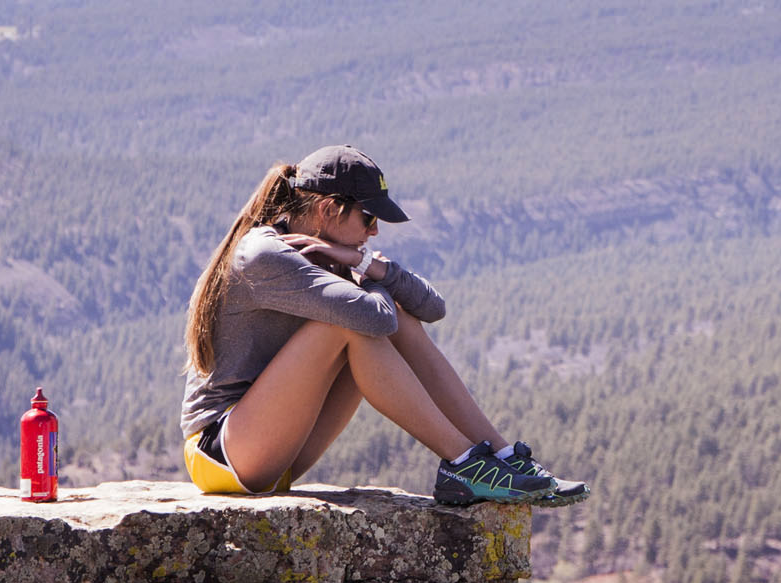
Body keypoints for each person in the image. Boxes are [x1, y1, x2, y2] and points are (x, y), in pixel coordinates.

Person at [180, 144, 587, 507]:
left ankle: (501, 458)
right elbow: (375, 318)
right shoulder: (265, 254)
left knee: (389, 315)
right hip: (223, 449)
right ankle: (465, 463)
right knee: (350, 324)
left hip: (275, 446)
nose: (374, 231)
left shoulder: (328, 252)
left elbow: (432, 308)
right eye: (368, 217)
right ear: (326, 210)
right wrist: (361, 272)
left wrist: (363, 262)